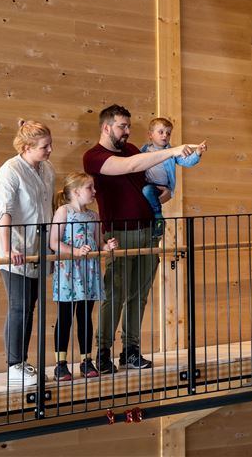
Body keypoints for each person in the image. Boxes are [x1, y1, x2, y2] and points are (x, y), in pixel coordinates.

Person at [83, 104, 205, 373]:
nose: (127, 131)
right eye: (122, 126)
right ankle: (103, 352)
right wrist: (171, 150)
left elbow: (145, 182)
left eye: (128, 126)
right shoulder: (94, 156)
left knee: (140, 294)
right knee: (114, 293)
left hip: (148, 231)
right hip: (119, 234)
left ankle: (131, 350)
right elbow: (130, 166)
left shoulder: (132, 148)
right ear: (106, 127)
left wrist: (164, 195)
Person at [0, 120, 55, 387]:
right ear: (27, 147)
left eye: (50, 144)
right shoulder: (9, 171)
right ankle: (13, 365)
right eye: (45, 146)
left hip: (39, 248)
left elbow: (47, 205)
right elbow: (4, 212)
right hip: (15, 247)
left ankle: (22, 363)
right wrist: (7, 249)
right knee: (19, 307)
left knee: (30, 307)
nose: (50, 149)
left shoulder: (47, 168)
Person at [48, 172, 118, 381]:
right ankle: (60, 364)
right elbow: (54, 242)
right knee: (66, 317)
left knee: (85, 317)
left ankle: (86, 361)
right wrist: (75, 251)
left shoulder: (93, 216)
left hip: (88, 272)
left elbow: (98, 243)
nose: (94, 192)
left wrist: (108, 246)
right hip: (69, 271)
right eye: (90, 188)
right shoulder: (64, 212)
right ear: (77, 191)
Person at [140, 117, 207, 237]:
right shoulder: (144, 151)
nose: (164, 135)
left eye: (168, 133)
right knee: (146, 191)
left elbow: (187, 161)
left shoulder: (172, 152)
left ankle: (158, 219)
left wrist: (197, 153)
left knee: (149, 195)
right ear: (150, 135)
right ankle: (156, 218)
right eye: (161, 132)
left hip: (164, 186)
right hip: (149, 185)